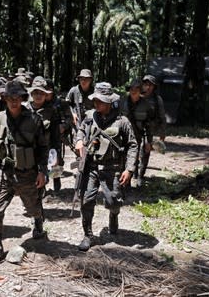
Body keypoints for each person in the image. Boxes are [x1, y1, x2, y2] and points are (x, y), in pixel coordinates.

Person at [0, 80, 48, 266]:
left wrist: (42, 172)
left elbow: (43, 148)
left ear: (22, 99)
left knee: (33, 208)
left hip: (27, 173)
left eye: (17, 98)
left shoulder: (34, 119)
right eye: (10, 98)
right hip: (4, 173)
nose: (13, 101)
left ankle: (38, 222)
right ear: (4, 98)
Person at [75, 82, 137, 251]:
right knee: (86, 201)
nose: (97, 104)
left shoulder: (122, 121)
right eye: (95, 100)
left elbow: (132, 145)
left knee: (113, 201)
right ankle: (88, 235)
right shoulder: (89, 116)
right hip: (91, 166)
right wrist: (79, 140)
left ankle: (113, 215)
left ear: (110, 102)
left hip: (112, 167)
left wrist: (129, 169)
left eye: (101, 101)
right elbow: (80, 130)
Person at [26, 76, 61, 194]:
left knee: (42, 178)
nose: (38, 95)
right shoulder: (23, 109)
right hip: (26, 151)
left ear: (46, 95)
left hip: (44, 152)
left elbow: (56, 136)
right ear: (31, 93)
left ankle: (38, 204)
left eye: (41, 93)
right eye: (35, 92)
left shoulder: (52, 111)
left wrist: (55, 154)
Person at [120, 79, 152, 187]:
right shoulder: (122, 102)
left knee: (135, 157)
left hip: (138, 134)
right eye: (131, 89)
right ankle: (126, 182)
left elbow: (148, 126)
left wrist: (148, 141)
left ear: (140, 91)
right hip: (123, 135)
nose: (133, 91)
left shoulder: (146, 105)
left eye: (136, 89)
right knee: (123, 157)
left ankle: (138, 178)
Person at [44, 78, 73, 192]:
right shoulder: (40, 103)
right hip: (43, 137)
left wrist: (64, 126)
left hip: (56, 136)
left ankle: (56, 186)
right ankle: (43, 187)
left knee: (56, 160)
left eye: (48, 90)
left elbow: (69, 118)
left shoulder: (60, 103)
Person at [140, 75, 167, 183]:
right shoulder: (137, 95)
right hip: (136, 129)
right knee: (133, 152)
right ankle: (134, 174)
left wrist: (162, 132)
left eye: (150, 84)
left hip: (149, 130)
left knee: (145, 152)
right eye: (145, 84)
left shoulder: (157, 100)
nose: (147, 86)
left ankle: (141, 175)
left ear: (154, 87)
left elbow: (162, 116)